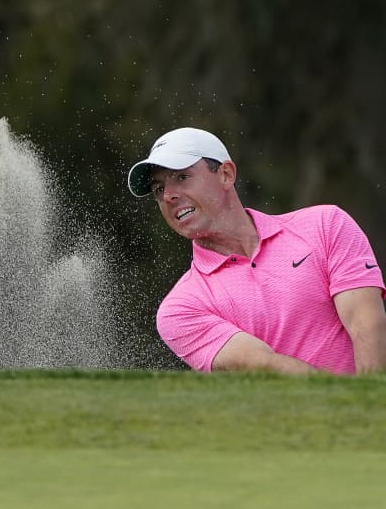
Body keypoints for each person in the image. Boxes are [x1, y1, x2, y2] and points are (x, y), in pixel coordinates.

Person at [128, 127, 386, 375]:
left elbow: (366, 324)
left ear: (226, 174)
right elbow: (266, 366)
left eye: (182, 177)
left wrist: (371, 404)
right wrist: (345, 409)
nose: (168, 195)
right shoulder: (180, 309)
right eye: (158, 189)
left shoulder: (325, 224)